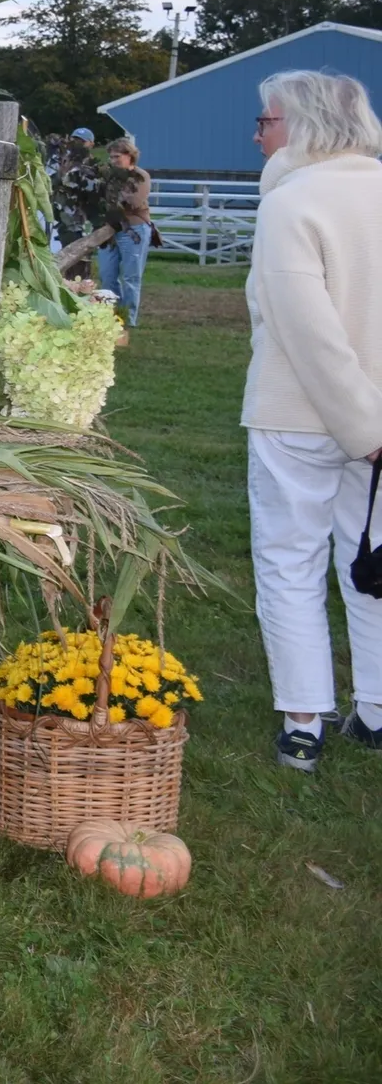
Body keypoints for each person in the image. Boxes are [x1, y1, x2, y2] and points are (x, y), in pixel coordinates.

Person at [243, 69, 382, 771]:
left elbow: (308, 328)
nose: (258, 136)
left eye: (265, 121)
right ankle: (377, 708)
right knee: (372, 555)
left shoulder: (291, 201)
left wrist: (365, 429)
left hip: (297, 412)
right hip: (374, 419)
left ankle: (304, 719)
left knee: (290, 560)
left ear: (301, 124)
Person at [96, 138, 153, 326]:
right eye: (111, 157)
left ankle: (128, 319)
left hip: (134, 228)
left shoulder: (140, 176)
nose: (113, 160)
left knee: (131, 276)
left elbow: (134, 201)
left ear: (129, 156)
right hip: (109, 229)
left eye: (117, 156)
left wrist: (111, 197)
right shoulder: (108, 175)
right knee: (107, 274)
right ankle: (111, 315)